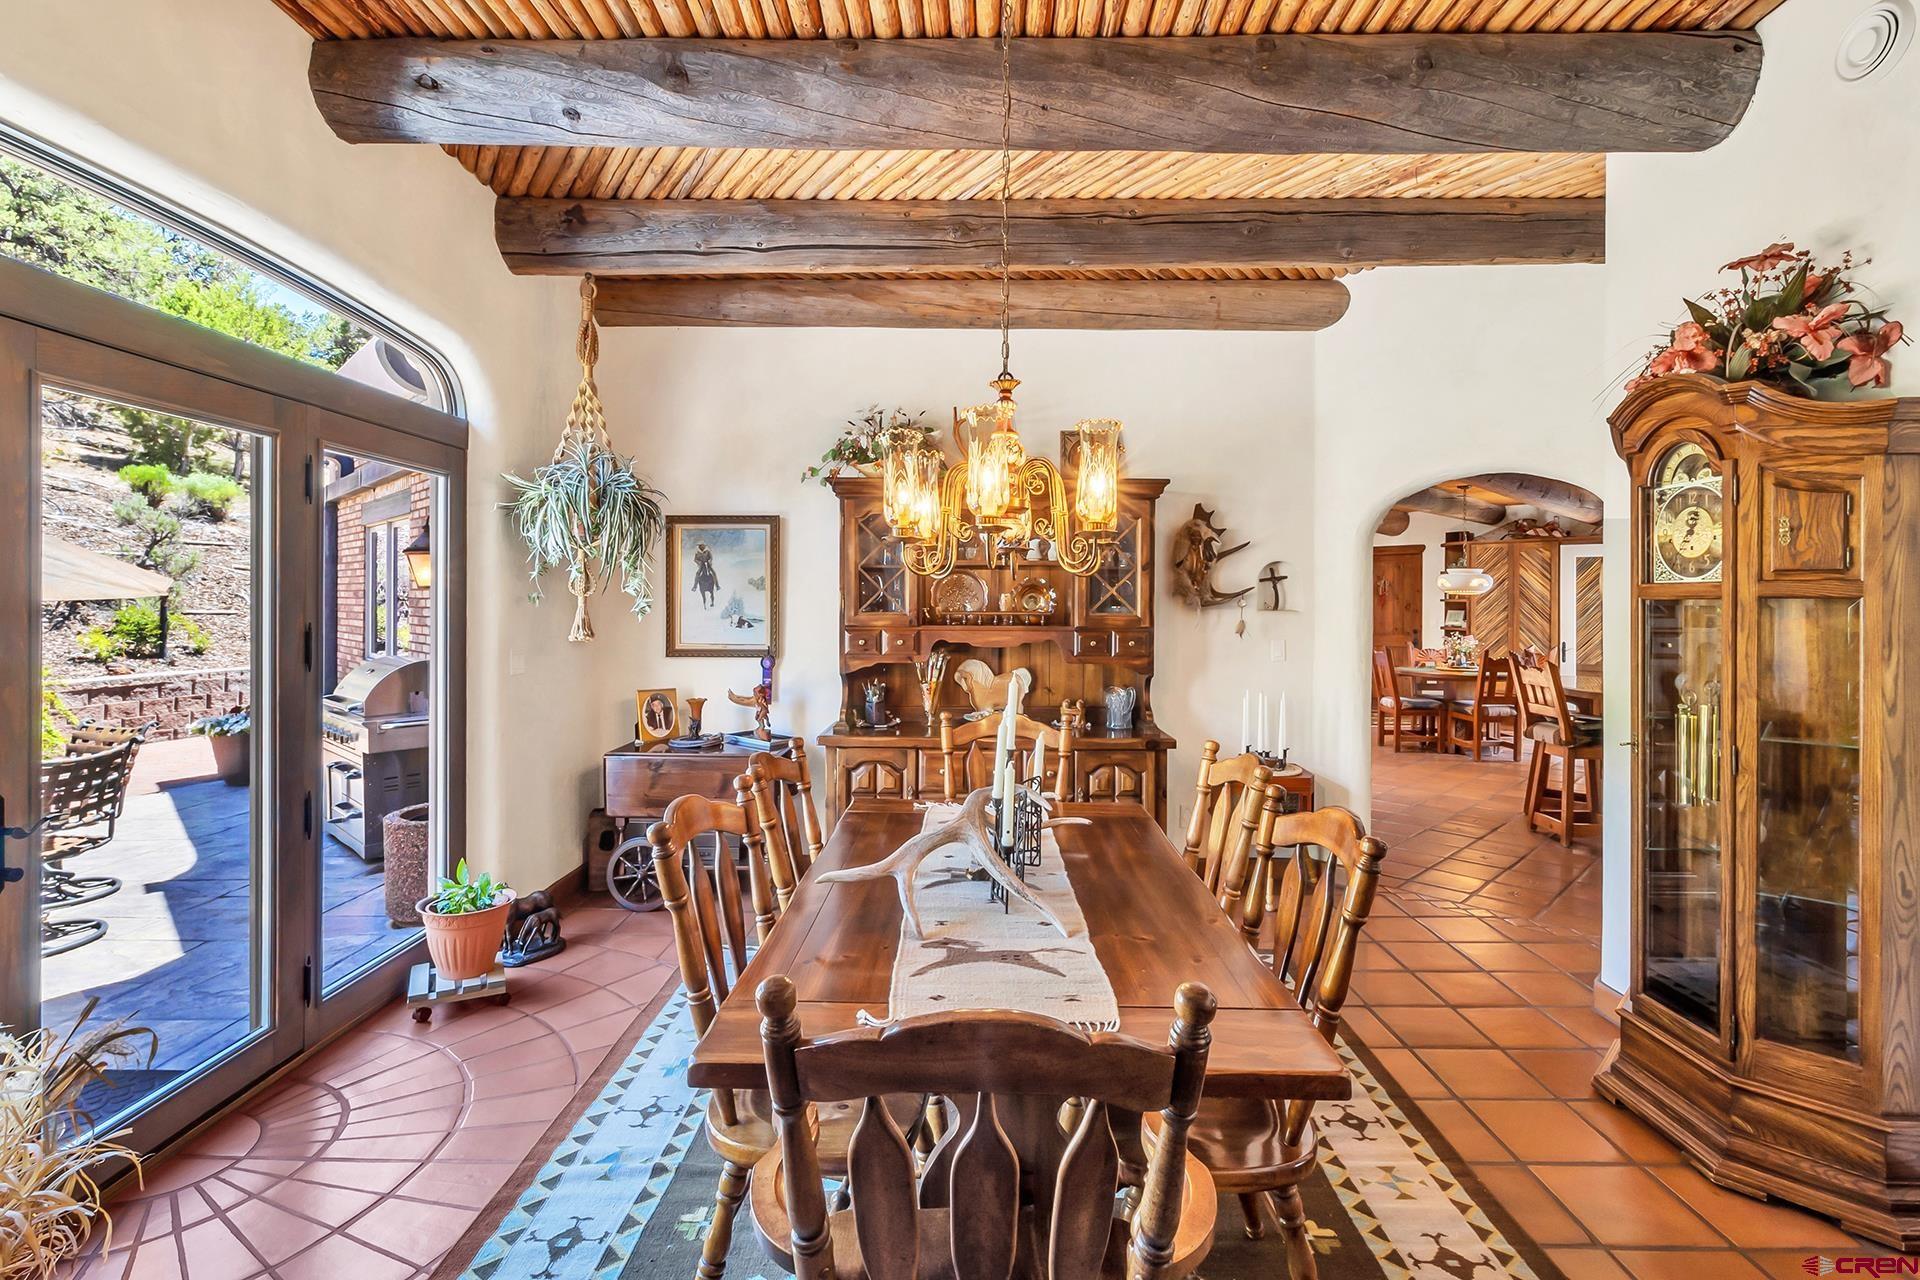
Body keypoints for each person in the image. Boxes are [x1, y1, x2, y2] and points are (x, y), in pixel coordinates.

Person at [692, 540, 719, 609]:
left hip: (708, 565)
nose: (702, 546)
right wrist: (699, 562)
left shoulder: (708, 551)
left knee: (713, 573)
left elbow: (711, 557)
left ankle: (717, 585)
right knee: (697, 574)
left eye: (702, 545)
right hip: (701, 566)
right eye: (700, 545)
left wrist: (709, 562)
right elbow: (695, 559)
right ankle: (695, 586)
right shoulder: (697, 553)